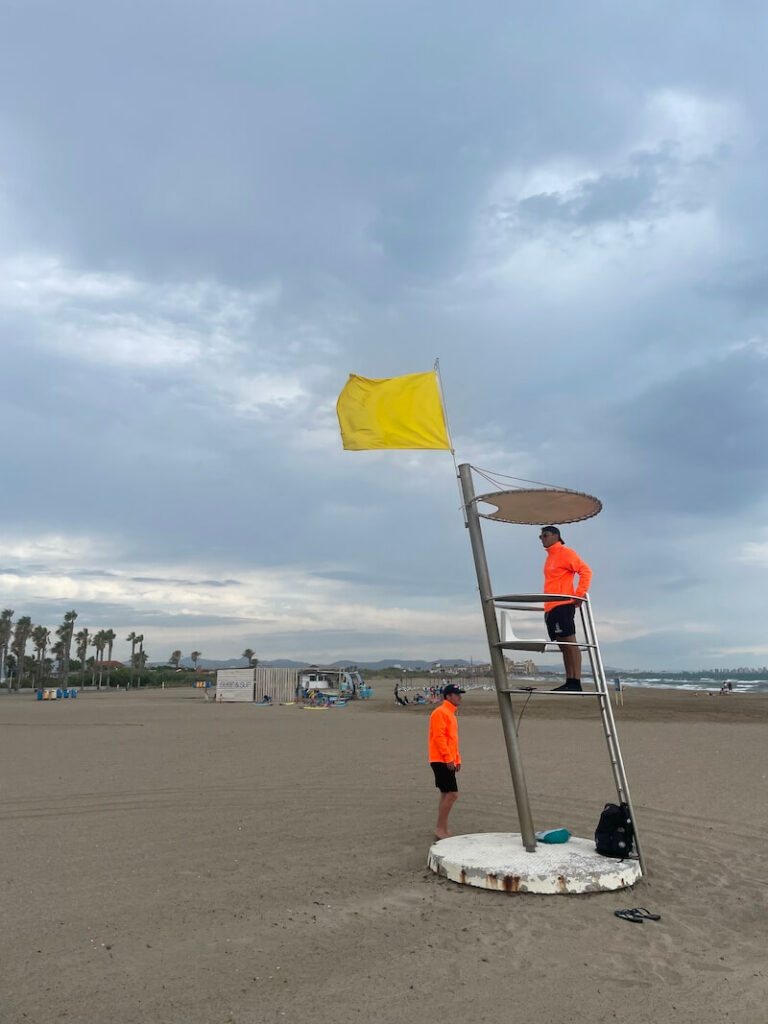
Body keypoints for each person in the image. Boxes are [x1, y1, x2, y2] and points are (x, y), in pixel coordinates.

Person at [539, 526, 592, 692]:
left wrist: (579, 594)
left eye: (545, 535)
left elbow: (586, 571)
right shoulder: (550, 556)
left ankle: (576, 681)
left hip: (563, 605)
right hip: (551, 606)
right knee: (563, 645)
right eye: (540, 536)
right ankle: (570, 680)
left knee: (570, 644)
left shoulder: (565, 552)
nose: (542, 538)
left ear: (556, 536)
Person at [428, 683, 465, 839]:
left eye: (459, 694)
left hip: (447, 759)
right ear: (448, 696)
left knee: (446, 793)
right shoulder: (440, 712)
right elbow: (439, 737)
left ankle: (442, 828)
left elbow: (452, 740)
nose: (460, 697)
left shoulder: (450, 714)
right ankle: (439, 828)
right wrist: (448, 758)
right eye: (457, 694)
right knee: (452, 794)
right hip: (440, 759)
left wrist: (457, 759)